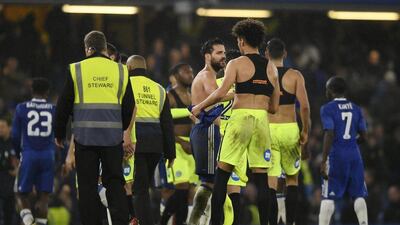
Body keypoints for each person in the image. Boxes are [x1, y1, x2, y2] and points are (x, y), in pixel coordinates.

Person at [192, 19, 280, 225]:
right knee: (261, 179)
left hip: (240, 119)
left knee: (222, 175)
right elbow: (274, 107)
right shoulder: (272, 68)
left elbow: (221, 92)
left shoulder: (236, 63)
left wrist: (198, 107)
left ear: (241, 41)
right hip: (261, 121)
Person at [55, 31, 134, 225]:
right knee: (115, 184)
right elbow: (129, 105)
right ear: (105, 48)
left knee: (88, 187)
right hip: (112, 139)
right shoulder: (121, 70)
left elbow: (63, 104)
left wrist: (59, 133)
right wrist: (122, 129)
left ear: (87, 48)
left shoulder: (76, 69)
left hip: (85, 139)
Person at [265, 38, 311, 225]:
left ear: (266, 54)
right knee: (292, 180)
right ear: (284, 54)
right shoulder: (295, 76)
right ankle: (290, 222)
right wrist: (305, 131)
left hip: (269, 130)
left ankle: (271, 222)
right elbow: (305, 107)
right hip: (290, 128)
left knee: (271, 182)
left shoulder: (263, 74)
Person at [126, 55, 175, 225]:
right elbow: (167, 123)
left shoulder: (126, 84)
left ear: (129, 68)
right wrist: (171, 153)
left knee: (138, 189)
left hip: (135, 142)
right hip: (156, 145)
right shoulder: (159, 89)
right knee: (145, 187)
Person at [319, 76, 368, 225]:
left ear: (332, 90)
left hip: (336, 155)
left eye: (327, 89)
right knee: (359, 194)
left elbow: (329, 133)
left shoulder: (327, 108)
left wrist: (323, 160)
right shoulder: (356, 108)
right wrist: (351, 142)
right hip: (354, 155)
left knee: (328, 196)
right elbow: (364, 136)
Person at [188, 38, 227, 225]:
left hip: (207, 130)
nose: (223, 57)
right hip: (208, 131)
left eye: (224, 53)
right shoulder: (207, 76)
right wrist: (239, 92)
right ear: (207, 56)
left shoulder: (210, 76)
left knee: (209, 182)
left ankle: (198, 221)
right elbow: (216, 101)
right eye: (219, 53)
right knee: (210, 183)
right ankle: (195, 222)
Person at [11, 78, 56, 225]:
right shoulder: (53, 109)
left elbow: (15, 136)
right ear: (47, 92)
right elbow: (59, 134)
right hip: (48, 156)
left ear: (32, 90)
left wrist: (18, 154)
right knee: (44, 197)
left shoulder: (21, 108)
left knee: (20, 193)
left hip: (29, 154)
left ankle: (29, 222)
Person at [161, 63, 196, 225]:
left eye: (191, 71)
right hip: (177, 146)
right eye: (186, 71)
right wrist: (181, 142)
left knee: (190, 192)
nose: (190, 74)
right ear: (176, 75)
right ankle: (163, 221)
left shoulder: (193, 96)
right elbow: (163, 125)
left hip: (191, 147)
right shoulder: (169, 96)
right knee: (180, 189)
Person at [217, 49, 245, 225]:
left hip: (222, 138)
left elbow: (208, 112)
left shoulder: (217, 82)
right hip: (240, 139)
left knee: (219, 189)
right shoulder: (246, 86)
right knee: (234, 191)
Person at [0, 118, 18, 225]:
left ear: (9, 128)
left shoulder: (16, 143)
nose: (0, 130)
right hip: (1, 183)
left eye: (2, 127)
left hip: (12, 185)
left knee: (11, 216)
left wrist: (19, 170)